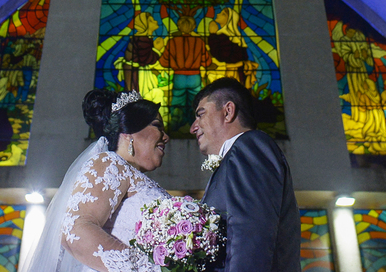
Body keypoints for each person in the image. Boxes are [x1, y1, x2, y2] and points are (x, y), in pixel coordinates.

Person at [18, 89, 171, 272]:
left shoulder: (133, 176)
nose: (166, 137)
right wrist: (146, 269)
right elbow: (75, 230)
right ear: (128, 131)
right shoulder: (111, 164)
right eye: (157, 126)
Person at [192, 78, 299, 272]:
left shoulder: (250, 147)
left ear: (228, 111)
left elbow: (251, 236)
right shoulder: (236, 156)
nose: (193, 127)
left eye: (201, 114)